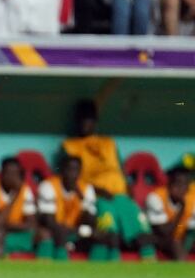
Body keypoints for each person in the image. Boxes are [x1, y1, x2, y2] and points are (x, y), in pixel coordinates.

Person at [61, 100, 155, 261]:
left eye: (89, 119)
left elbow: (122, 170)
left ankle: (152, 271)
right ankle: (110, 267)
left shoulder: (109, 143)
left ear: (95, 121)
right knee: (110, 234)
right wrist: (98, 191)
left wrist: (129, 191)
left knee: (142, 234)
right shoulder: (69, 146)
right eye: (82, 119)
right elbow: (69, 177)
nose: (85, 123)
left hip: (120, 195)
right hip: (97, 198)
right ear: (76, 121)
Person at [36, 155, 100, 261]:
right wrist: (76, 230)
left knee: (102, 236)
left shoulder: (86, 189)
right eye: (70, 169)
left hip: (75, 231)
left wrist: (82, 199)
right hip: (55, 231)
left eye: (76, 170)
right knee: (54, 233)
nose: (73, 174)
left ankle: (98, 269)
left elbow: (91, 220)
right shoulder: (49, 186)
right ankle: (59, 262)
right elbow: (49, 221)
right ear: (62, 171)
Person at [0, 157, 37, 257]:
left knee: (43, 235)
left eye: (15, 174)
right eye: (8, 173)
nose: (12, 178)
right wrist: (14, 196)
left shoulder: (25, 190)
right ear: (1, 174)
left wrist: (8, 226)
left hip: (15, 232)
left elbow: (31, 224)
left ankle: (43, 268)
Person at [146, 167, 195, 260]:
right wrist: (181, 210)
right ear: (169, 184)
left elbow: (183, 226)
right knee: (175, 243)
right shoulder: (156, 198)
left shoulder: (190, 200)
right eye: (178, 184)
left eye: (185, 186)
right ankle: (181, 272)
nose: (182, 189)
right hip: (158, 239)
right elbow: (165, 232)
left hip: (181, 237)